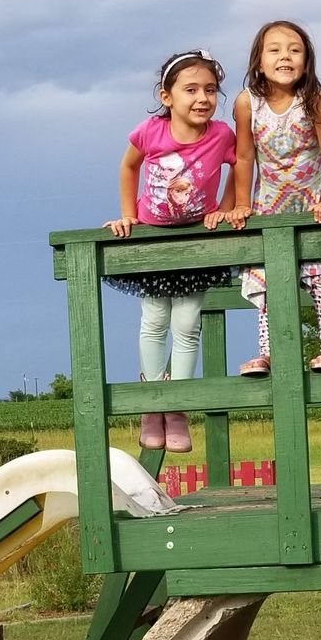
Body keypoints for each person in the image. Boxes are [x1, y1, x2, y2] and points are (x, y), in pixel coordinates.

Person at [103, 49, 236, 453]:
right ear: (167, 96)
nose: (202, 98)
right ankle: (152, 403)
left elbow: (241, 166)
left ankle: (177, 406)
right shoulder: (150, 132)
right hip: (154, 241)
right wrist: (128, 215)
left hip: (194, 240)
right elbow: (128, 167)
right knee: (155, 317)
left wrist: (227, 208)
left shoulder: (221, 135)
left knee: (188, 320)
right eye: (191, 89)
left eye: (211, 90)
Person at [227, 20, 321, 376]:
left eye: (295, 50)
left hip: (313, 205)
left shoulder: (314, 100)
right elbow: (244, 157)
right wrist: (242, 204)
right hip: (269, 207)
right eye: (275, 50)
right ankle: (270, 352)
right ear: (258, 61)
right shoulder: (248, 103)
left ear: (306, 61)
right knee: (268, 285)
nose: (285, 57)